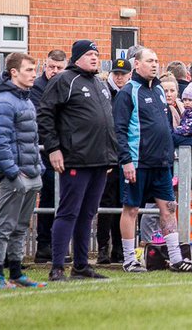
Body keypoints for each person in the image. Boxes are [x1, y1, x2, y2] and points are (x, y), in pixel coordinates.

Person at [114, 47, 192, 273]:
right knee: (131, 209)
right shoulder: (129, 92)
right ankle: (129, 259)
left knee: (168, 208)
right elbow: (119, 129)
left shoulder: (160, 92)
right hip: (138, 162)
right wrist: (126, 161)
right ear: (136, 64)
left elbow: (165, 125)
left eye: (156, 61)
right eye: (149, 61)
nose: (154, 64)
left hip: (162, 162)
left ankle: (175, 258)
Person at [36, 40, 118, 281]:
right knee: (68, 212)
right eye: (89, 54)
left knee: (88, 213)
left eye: (97, 54)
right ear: (77, 57)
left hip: (100, 161)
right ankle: (57, 266)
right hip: (76, 158)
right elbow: (45, 113)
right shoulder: (64, 80)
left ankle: (81, 265)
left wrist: (110, 155)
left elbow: (106, 121)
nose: (95, 58)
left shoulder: (100, 83)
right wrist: (53, 148)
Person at [0, 52, 46, 289]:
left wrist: (38, 168)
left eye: (34, 70)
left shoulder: (27, 101)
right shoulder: (1, 103)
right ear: (14, 73)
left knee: (21, 227)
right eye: (29, 70)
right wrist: (12, 172)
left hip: (30, 174)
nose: (34, 74)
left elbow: (32, 139)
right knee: (4, 226)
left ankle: (16, 273)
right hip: (14, 176)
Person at [30, 49, 67, 264]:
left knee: (65, 198)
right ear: (45, 65)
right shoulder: (37, 86)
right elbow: (42, 116)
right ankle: (43, 244)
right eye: (51, 67)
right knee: (48, 195)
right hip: (45, 149)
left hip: (66, 149)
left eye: (59, 68)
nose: (54, 71)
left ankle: (59, 244)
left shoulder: (68, 83)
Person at [96, 58, 130, 266]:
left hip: (125, 155)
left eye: (122, 74)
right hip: (109, 155)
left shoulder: (129, 93)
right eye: (116, 74)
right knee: (106, 205)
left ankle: (119, 248)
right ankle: (103, 249)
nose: (119, 77)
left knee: (123, 203)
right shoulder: (105, 93)